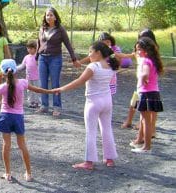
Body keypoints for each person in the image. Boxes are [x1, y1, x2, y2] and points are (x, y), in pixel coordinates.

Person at [0, 59, 53, 182]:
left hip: (5, 117)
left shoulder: (1, 87)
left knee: (6, 145)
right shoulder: (23, 83)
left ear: (2, 73)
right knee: (22, 145)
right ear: (15, 70)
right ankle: (29, 174)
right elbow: (38, 90)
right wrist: (50, 91)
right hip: (18, 117)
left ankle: (8, 173)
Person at [53, 41, 119, 170]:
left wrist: (62, 89)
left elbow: (80, 81)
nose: (89, 55)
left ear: (98, 53)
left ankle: (89, 162)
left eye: (90, 52)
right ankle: (109, 158)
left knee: (91, 131)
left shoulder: (93, 66)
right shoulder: (111, 65)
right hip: (107, 101)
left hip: (93, 102)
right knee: (107, 129)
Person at [36, 7, 81, 117]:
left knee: (55, 83)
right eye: (47, 15)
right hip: (42, 58)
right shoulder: (42, 28)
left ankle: (57, 107)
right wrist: (36, 57)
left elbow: (68, 44)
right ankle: (44, 105)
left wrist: (74, 59)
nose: (49, 17)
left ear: (55, 17)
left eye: (51, 15)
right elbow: (39, 42)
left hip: (55, 58)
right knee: (43, 83)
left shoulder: (60, 29)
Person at [121, 29, 159, 138]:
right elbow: (127, 55)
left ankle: (151, 129)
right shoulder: (140, 51)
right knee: (134, 102)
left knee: (149, 108)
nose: (140, 39)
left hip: (148, 85)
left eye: (143, 37)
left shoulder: (151, 53)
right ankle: (130, 121)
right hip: (141, 84)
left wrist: (144, 77)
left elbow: (149, 69)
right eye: (140, 37)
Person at [130, 37, 163, 154]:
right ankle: (145, 144)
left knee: (145, 121)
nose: (137, 51)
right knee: (146, 121)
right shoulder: (152, 60)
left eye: (139, 49)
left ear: (146, 50)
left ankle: (146, 146)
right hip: (154, 93)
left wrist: (144, 78)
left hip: (146, 93)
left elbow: (145, 73)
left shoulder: (145, 61)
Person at [17, 40, 40, 108]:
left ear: (36, 48)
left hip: (37, 77)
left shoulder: (38, 57)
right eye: (28, 48)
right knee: (29, 90)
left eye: (31, 48)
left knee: (37, 90)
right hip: (28, 77)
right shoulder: (26, 57)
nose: (29, 50)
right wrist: (15, 68)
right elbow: (22, 65)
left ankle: (37, 102)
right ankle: (30, 101)